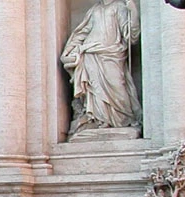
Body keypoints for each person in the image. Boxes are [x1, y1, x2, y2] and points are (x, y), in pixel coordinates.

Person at [60, 0, 141, 137]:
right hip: (90, 54)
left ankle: (121, 120)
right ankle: (98, 119)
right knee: (94, 89)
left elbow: (130, 36)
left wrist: (133, 12)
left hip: (112, 54)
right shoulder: (94, 10)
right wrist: (69, 51)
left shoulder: (119, 7)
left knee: (117, 86)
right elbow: (82, 33)